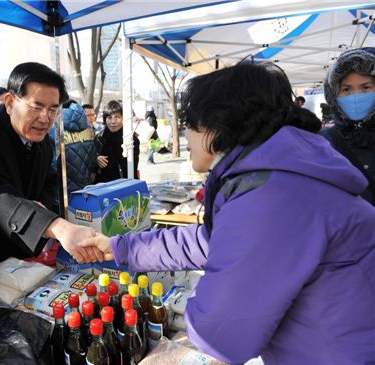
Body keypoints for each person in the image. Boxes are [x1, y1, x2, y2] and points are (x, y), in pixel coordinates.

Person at [79, 63, 375, 364]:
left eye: (188, 124)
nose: (186, 135)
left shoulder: (273, 196)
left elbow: (221, 333)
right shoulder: (278, 174)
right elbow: (210, 240)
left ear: (216, 127)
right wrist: (119, 246)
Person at [0, 62, 99, 265]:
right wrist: (57, 226)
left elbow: (48, 180)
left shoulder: (42, 141)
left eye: (52, 110)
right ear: (10, 102)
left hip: (24, 250)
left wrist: (42, 207)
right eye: (36, 106)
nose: (45, 118)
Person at [321, 47, 375, 206]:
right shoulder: (323, 144)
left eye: (366, 87)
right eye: (346, 89)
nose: (356, 96)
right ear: (334, 94)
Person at [49, 100, 96, 193]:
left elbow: (52, 166)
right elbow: (93, 161)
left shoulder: (52, 131)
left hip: (61, 191)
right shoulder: (89, 130)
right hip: (86, 189)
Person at [94, 100, 140, 183]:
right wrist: (96, 158)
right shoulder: (99, 138)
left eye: (117, 117)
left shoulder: (131, 139)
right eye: (109, 117)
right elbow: (90, 163)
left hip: (125, 185)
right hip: (103, 187)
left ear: (123, 118)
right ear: (105, 119)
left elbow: (132, 167)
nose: (113, 121)